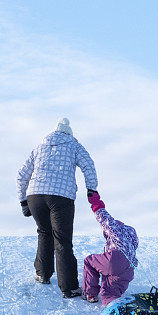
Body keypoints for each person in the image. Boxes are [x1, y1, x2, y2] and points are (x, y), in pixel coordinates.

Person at [16, 117, 97, 298]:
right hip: (61, 196)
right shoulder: (74, 146)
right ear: (69, 133)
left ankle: (42, 274)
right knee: (62, 240)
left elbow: (21, 175)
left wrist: (23, 201)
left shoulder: (39, 147)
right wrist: (92, 189)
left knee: (44, 231)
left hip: (35, 196)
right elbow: (89, 166)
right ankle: (69, 288)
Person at [83, 190, 138, 306]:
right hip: (129, 268)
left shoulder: (115, 229)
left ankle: (90, 293)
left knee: (89, 261)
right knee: (109, 293)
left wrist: (95, 202)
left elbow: (104, 218)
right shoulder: (131, 233)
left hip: (115, 258)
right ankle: (116, 307)